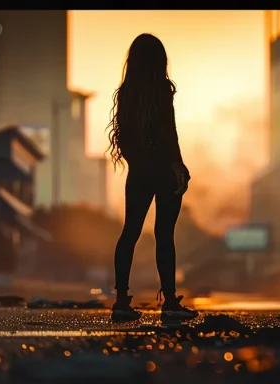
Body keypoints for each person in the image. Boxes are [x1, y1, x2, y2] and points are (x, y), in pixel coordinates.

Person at [106, 33, 197, 323]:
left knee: (129, 233)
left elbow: (125, 140)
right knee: (164, 237)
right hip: (162, 169)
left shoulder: (126, 94)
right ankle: (169, 302)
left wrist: (140, 163)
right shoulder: (161, 90)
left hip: (139, 172)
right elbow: (169, 135)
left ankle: (121, 301)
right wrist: (178, 166)